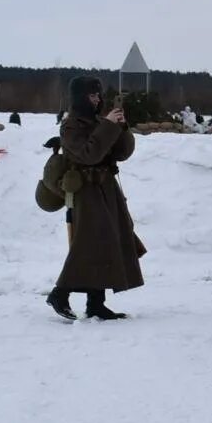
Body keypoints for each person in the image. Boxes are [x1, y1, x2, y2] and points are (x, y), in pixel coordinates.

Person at [46, 76, 143, 321]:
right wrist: (108, 126)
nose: (97, 100)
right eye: (91, 95)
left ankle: (96, 303)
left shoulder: (100, 121)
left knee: (107, 242)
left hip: (106, 188)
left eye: (98, 95)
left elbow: (122, 153)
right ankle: (60, 293)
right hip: (86, 190)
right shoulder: (71, 126)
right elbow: (88, 154)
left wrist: (121, 127)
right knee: (89, 244)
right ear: (80, 98)